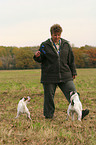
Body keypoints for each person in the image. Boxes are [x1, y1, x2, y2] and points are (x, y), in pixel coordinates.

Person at [33, 24, 89, 119]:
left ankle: (80, 113)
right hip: (49, 76)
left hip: (65, 74)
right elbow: (41, 59)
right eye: (55, 35)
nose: (57, 37)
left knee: (74, 94)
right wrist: (37, 57)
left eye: (58, 35)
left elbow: (71, 59)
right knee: (49, 97)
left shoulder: (66, 44)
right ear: (51, 34)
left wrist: (73, 72)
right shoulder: (44, 45)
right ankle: (49, 116)